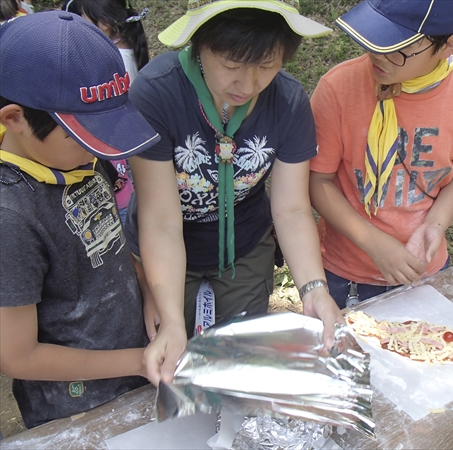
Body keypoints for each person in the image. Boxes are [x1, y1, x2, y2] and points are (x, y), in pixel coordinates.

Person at [124, 0, 344, 386]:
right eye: (231, 66)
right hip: (168, 252)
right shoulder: (157, 95)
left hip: (244, 246)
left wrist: (314, 288)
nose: (248, 85)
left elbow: (292, 209)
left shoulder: (288, 102)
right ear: (199, 45)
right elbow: (159, 220)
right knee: (173, 363)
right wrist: (173, 319)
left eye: (267, 66)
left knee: (240, 363)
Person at [0, 10, 160, 429]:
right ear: (14, 119)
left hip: (133, 365)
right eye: (80, 137)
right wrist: (140, 360)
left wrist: (146, 285)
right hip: (74, 408)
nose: (99, 151)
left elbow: (105, 238)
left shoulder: (75, 154)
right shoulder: (10, 216)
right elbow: (18, 355)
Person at [309, 0, 453, 308]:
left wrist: (435, 224)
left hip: (423, 272)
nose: (379, 55)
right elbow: (318, 181)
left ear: (450, 44)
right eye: (375, 38)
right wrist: (373, 244)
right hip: (344, 274)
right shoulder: (339, 88)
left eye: (399, 47)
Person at [62, 0, 151, 224]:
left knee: (124, 200)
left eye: (83, 17)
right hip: (133, 135)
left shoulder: (106, 56)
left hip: (117, 144)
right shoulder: (127, 43)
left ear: (104, 22)